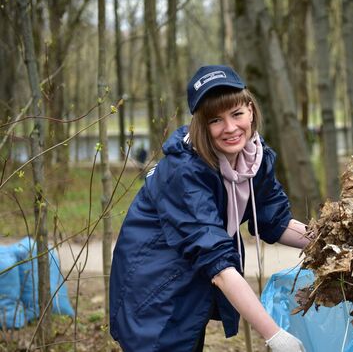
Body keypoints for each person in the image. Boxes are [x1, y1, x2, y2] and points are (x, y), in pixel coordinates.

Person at [109, 65, 308, 352]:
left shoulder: (254, 158)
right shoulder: (184, 173)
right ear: (201, 125)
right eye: (216, 120)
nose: (230, 128)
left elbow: (275, 221)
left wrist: (337, 246)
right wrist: (274, 335)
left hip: (191, 280)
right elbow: (217, 263)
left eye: (237, 114)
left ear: (250, 110)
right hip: (153, 291)